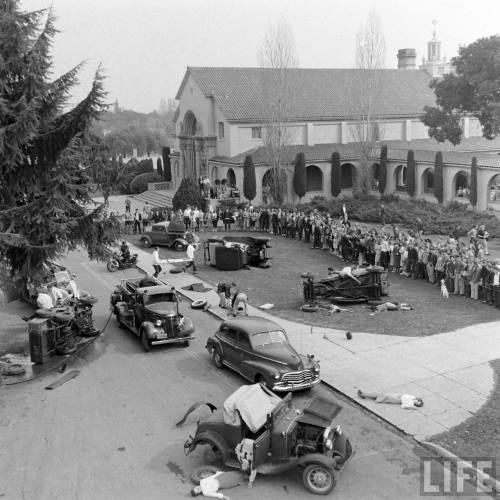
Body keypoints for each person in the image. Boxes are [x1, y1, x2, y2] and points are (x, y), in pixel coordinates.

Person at [357, 389, 423, 409]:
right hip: (397, 395)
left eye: (417, 403)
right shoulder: (413, 397)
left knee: (381, 395)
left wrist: (413, 407)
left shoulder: (411, 404)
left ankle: (363, 394)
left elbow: (403, 406)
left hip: (397, 400)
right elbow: (406, 395)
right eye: (418, 401)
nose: (417, 402)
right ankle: (364, 394)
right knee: (379, 394)